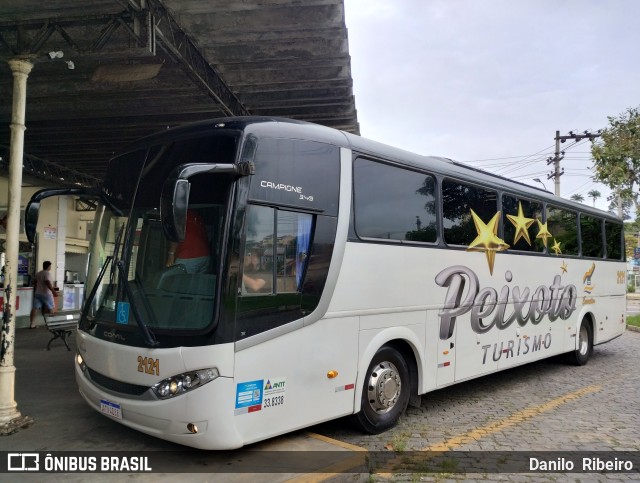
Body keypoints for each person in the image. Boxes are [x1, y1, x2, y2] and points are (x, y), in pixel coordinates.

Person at [165, 209, 210, 273]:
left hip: (188, 256)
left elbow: (175, 235)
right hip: (205, 257)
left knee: (178, 281)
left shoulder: (179, 214)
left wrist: (171, 255)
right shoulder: (196, 216)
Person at [30, 261, 58, 328]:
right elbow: (47, 282)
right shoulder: (47, 273)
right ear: (48, 266)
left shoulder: (38, 273)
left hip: (38, 293)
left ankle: (32, 324)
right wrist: (53, 291)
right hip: (47, 294)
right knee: (51, 308)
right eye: (50, 266)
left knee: (35, 308)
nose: (50, 267)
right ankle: (52, 323)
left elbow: (34, 282)